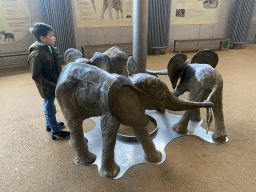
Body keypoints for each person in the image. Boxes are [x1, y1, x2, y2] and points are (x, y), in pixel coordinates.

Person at [28, 22, 70, 140]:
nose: (54, 37)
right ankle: (55, 132)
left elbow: (56, 65)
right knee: (50, 107)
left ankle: (50, 124)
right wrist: (52, 86)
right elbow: (36, 76)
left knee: (50, 106)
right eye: (51, 35)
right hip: (46, 86)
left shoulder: (50, 48)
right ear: (43, 38)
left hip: (55, 82)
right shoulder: (36, 54)